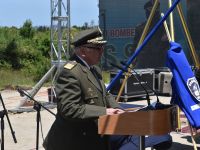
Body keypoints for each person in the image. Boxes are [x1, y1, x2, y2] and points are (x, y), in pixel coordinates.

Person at [43, 27, 172, 150]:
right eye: (97, 48)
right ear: (82, 51)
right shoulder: (70, 72)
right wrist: (105, 111)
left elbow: (106, 95)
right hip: (73, 142)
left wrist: (118, 109)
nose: (102, 51)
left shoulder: (93, 69)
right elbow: (69, 109)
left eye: (102, 47)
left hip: (95, 136)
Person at [134, 0, 169, 68]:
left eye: (156, 9)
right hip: (144, 64)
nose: (154, 12)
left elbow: (167, 45)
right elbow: (135, 46)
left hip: (160, 62)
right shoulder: (140, 28)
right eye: (150, 9)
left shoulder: (165, 27)